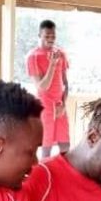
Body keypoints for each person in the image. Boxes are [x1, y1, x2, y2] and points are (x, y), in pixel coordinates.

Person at [26, 20, 71, 158]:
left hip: (60, 105)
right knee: (46, 147)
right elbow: (42, 87)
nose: (50, 39)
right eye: (47, 36)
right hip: (45, 106)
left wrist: (63, 104)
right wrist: (52, 65)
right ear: (39, 35)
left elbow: (66, 83)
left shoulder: (61, 53)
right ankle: (45, 170)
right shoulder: (33, 57)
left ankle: (63, 170)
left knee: (65, 145)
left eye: (53, 36)